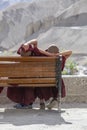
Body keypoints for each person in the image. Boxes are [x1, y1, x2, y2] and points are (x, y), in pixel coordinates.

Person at [7, 39, 58, 109]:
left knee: (22, 81)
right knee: (32, 82)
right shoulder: (37, 56)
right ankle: (35, 102)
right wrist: (28, 43)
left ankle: (26, 103)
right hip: (45, 80)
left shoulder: (21, 62)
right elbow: (35, 41)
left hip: (27, 80)